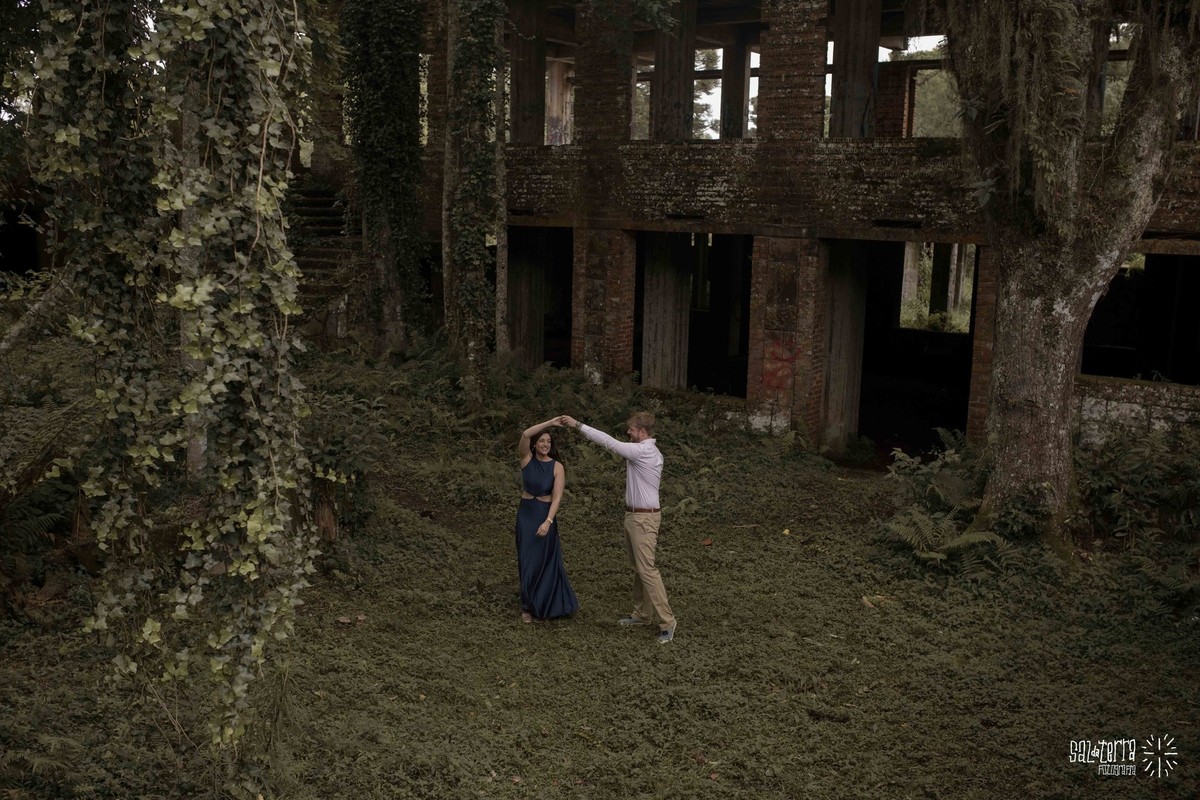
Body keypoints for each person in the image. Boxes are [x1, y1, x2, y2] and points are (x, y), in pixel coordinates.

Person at [561, 412, 676, 644]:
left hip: (643, 519)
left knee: (647, 570)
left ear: (642, 432)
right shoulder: (645, 451)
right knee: (639, 568)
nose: (628, 432)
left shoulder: (643, 451)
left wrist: (578, 425)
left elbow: (609, 442)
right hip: (635, 516)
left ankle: (668, 622)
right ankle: (642, 614)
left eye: (632, 429)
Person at [514, 417, 578, 623]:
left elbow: (557, 497)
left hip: (544, 515)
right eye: (542, 441)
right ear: (535, 444)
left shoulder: (557, 467)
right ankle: (527, 606)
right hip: (526, 515)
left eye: (548, 441)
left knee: (545, 562)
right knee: (527, 561)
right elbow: (525, 434)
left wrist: (548, 521)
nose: (545, 444)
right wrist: (550, 423)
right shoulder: (526, 459)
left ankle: (546, 604)